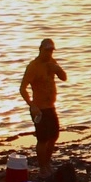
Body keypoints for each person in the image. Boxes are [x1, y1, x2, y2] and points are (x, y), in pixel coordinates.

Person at [20, 38, 68, 173]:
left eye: (51, 51)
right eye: (47, 51)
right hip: (39, 109)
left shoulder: (52, 62)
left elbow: (64, 78)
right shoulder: (33, 66)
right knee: (43, 139)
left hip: (50, 106)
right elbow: (22, 88)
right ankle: (42, 168)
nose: (49, 53)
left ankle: (47, 163)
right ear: (40, 50)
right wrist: (32, 105)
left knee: (54, 136)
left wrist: (57, 69)